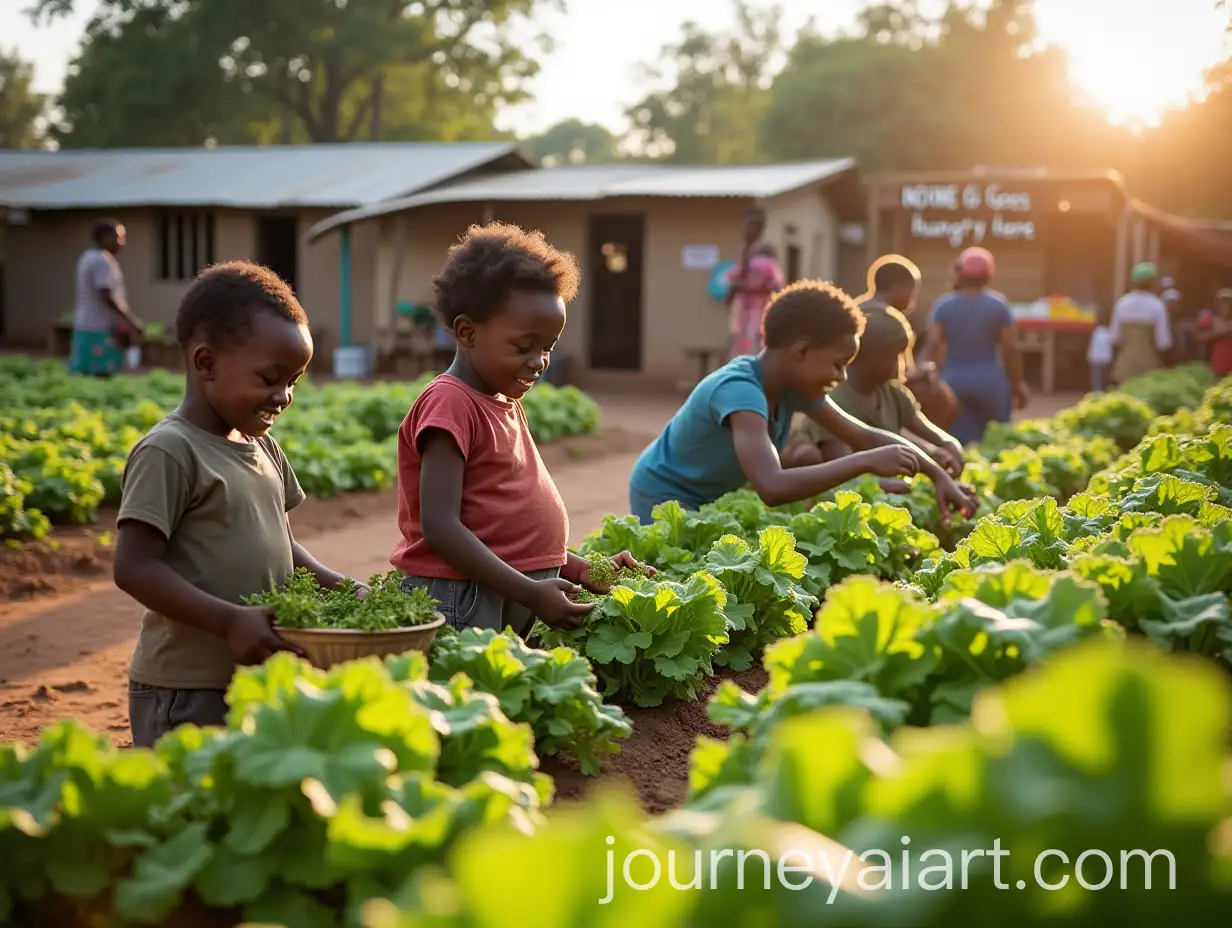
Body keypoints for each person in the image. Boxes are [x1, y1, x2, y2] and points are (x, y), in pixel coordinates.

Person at [112, 261, 360, 748]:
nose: (284, 396)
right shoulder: (170, 451)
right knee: (190, 791)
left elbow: (286, 548)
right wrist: (229, 621)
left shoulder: (263, 447)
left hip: (254, 676)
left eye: (294, 381)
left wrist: (348, 591)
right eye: (270, 378)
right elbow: (134, 567)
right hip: (186, 688)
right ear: (206, 363)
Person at [391, 222, 650, 638]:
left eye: (548, 347)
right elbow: (441, 528)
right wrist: (529, 591)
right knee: (466, 679)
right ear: (468, 332)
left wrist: (580, 568)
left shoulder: (503, 402)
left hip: (503, 590)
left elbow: (505, 529)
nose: (539, 360)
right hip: (462, 595)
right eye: (523, 346)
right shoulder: (450, 403)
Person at [627, 279, 977, 525]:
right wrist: (866, 462)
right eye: (838, 363)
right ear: (802, 351)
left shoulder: (795, 387)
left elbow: (865, 436)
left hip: (713, 496)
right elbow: (772, 486)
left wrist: (937, 474)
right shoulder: (739, 390)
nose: (841, 376)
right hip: (664, 496)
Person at [784, 307, 966, 490]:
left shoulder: (893, 394)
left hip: (873, 480)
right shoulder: (837, 399)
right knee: (808, 458)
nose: (903, 365)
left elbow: (929, 433)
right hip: (829, 477)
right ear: (872, 358)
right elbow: (842, 471)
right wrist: (895, 486)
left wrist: (948, 447)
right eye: (896, 356)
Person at [921, 246, 1027, 446]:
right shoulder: (998, 305)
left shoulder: (943, 306)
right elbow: (1010, 348)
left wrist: (924, 380)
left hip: (953, 382)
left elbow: (933, 345)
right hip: (991, 383)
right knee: (997, 442)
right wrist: (1017, 384)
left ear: (959, 273)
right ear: (989, 275)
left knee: (956, 443)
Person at [858, 254, 959, 430]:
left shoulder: (853, 309)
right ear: (897, 287)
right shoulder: (893, 322)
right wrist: (923, 373)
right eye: (912, 294)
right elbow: (902, 374)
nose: (912, 304)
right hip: (877, 401)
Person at [70, 219, 144, 378]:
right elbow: (107, 296)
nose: (122, 242)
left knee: (83, 377)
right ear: (104, 237)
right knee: (102, 376)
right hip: (100, 329)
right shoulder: (103, 260)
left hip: (84, 326)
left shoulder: (87, 257)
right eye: (119, 237)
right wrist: (131, 320)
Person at [724, 206, 784, 358]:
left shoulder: (765, 251)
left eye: (750, 225)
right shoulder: (747, 251)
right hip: (743, 314)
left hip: (758, 313)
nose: (745, 229)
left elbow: (773, 284)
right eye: (744, 224)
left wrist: (742, 286)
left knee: (755, 353)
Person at [1109, 262, 1173, 385]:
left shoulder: (1122, 303)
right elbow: (1164, 343)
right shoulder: (1157, 305)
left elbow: (1114, 338)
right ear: (1153, 282)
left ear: (1133, 281)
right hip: (1148, 367)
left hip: (1125, 366)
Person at [1195, 287, 1232, 377]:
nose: (1225, 304)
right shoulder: (1209, 319)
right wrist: (1220, 332)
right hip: (1216, 367)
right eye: (1222, 302)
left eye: (1228, 301)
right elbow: (1197, 338)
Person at [1086, 308, 1114, 392]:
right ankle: (1106, 389)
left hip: (1096, 357)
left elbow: (1091, 347)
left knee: (1096, 376)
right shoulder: (1109, 332)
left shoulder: (1096, 332)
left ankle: (1097, 390)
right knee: (1106, 375)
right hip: (1107, 358)